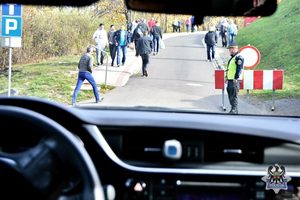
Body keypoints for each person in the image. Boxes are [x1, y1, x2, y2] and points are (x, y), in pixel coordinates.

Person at [225, 42, 244, 114]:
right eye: (229, 49)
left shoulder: (239, 57)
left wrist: (236, 78)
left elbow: (239, 69)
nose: (229, 51)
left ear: (235, 49)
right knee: (230, 93)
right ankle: (233, 109)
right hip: (230, 79)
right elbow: (229, 69)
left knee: (234, 94)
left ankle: (234, 110)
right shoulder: (233, 58)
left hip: (235, 80)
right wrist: (226, 77)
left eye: (230, 49)